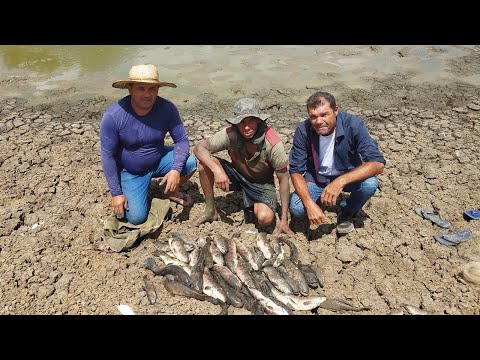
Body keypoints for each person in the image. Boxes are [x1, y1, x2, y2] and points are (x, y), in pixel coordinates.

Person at [100, 64, 197, 224]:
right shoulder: (114, 116)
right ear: (130, 89)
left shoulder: (167, 108)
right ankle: (138, 188)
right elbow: (107, 156)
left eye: (152, 89)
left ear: (158, 90)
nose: (147, 94)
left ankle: (169, 191)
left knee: (191, 162)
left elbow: (181, 140)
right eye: (141, 88)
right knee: (136, 218)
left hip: (158, 159)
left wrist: (175, 170)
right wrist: (116, 193)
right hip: (131, 170)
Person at [193, 97, 294, 235]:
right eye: (242, 122)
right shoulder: (231, 134)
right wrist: (217, 170)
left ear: (259, 120)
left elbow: (283, 180)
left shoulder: (273, 144)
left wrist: (284, 219)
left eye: (251, 121)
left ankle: (253, 203)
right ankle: (210, 210)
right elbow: (199, 148)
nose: (246, 127)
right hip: (237, 174)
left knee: (265, 219)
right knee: (204, 164)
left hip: (261, 184)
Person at [288, 91, 385, 234]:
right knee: (297, 209)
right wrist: (309, 204)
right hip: (317, 179)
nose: (318, 121)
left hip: (347, 175)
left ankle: (347, 211)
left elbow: (378, 163)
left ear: (336, 110)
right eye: (313, 117)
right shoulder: (303, 130)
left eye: (324, 114)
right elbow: (295, 171)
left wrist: (340, 181)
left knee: (370, 184)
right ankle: (321, 198)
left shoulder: (353, 125)